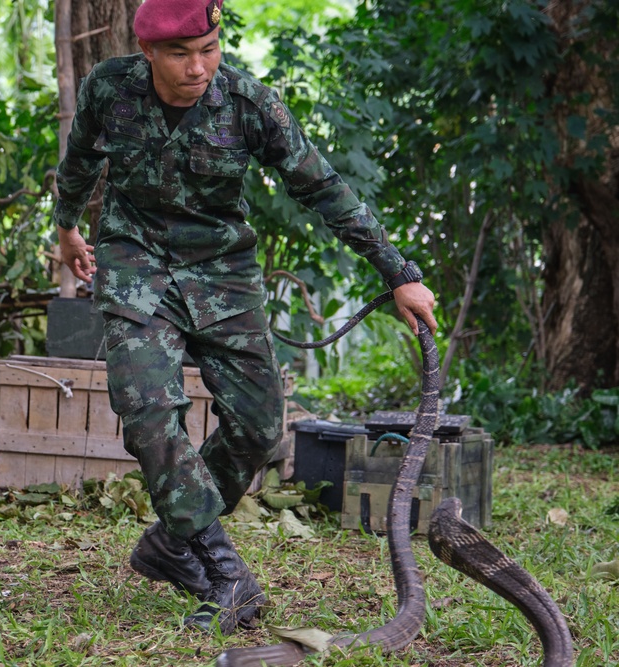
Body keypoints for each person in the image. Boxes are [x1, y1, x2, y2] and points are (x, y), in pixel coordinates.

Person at [52, 0, 438, 635]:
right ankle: (227, 574)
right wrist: (68, 227)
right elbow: (81, 158)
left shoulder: (247, 102)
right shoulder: (110, 87)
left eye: (210, 48)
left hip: (222, 274)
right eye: (181, 54)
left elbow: (322, 185)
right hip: (135, 264)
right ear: (148, 51)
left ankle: (170, 543)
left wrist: (397, 270)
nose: (199, 66)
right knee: (148, 411)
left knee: (259, 430)